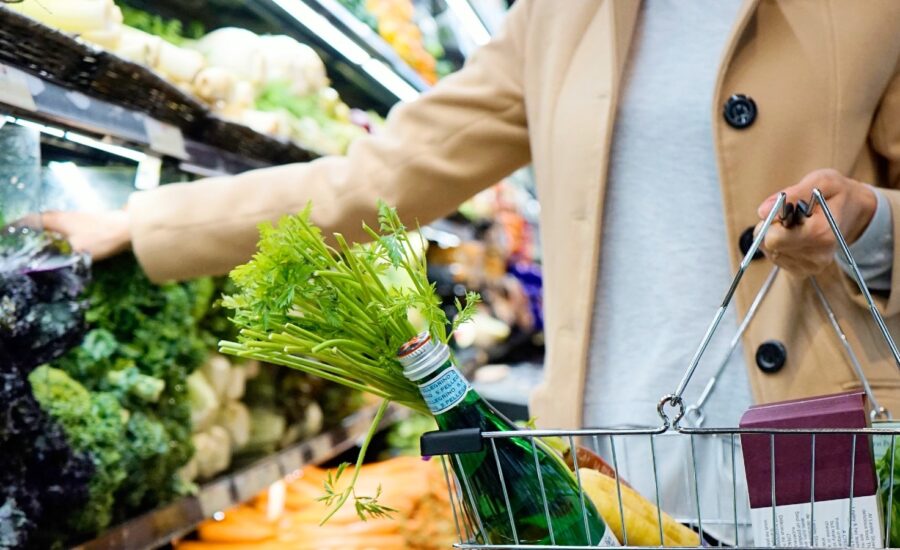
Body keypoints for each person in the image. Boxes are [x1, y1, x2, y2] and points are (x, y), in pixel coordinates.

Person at [43, 0, 900, 541]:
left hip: (815, 465)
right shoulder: (557, 19)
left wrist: (871, 226)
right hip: (605, 468)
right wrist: (145, 222)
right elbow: (376, 179)